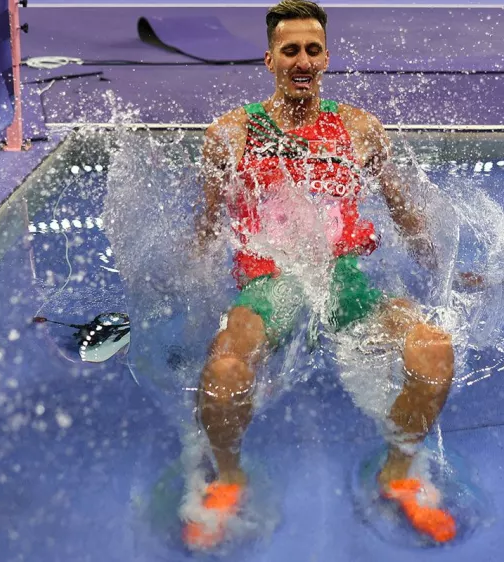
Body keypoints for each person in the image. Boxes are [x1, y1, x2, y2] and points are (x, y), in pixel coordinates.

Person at [188, 0, 458, 549]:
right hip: (269, 285)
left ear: (327, 57)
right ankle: (228, 477)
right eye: (291, 50)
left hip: (344, 281)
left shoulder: (360, 128)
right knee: (224, 370)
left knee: (434, 349)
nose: (303, 60)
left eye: (313, 50)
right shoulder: (229, 135)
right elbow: (208, 231)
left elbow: (402, 211)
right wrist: (179, 291)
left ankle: (399, 471)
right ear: (269, 59)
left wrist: (447, 268)